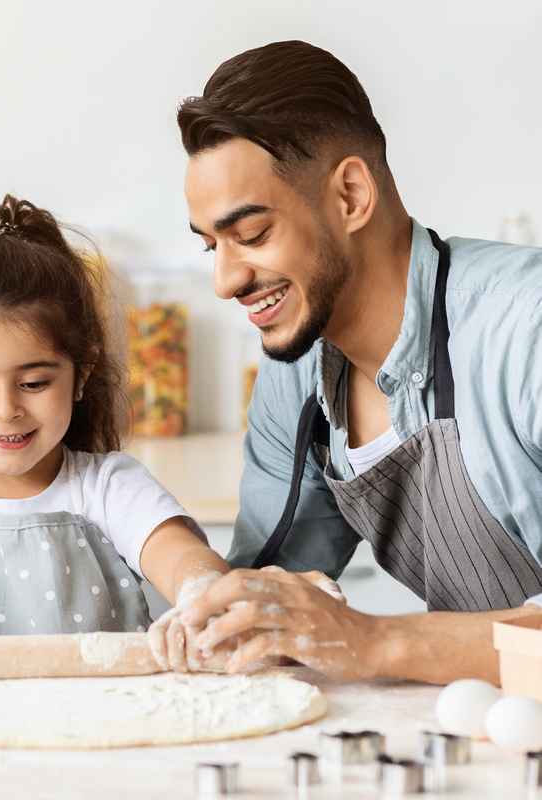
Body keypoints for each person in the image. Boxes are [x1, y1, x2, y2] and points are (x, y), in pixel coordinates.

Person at [175, 40, 542, 685]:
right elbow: (270, 592)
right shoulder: (296, 376)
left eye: (252, 235)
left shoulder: (525, 328)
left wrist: (376, 642)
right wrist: (209, 616)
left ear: (349, 195)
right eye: (213, 246)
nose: (225, 280)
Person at [0, 194, 228, 670]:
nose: (6, 409)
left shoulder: (110, 488)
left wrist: (205, 593)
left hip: (102, 731)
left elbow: (182, 560)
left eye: (34, 383)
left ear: (82, 374)